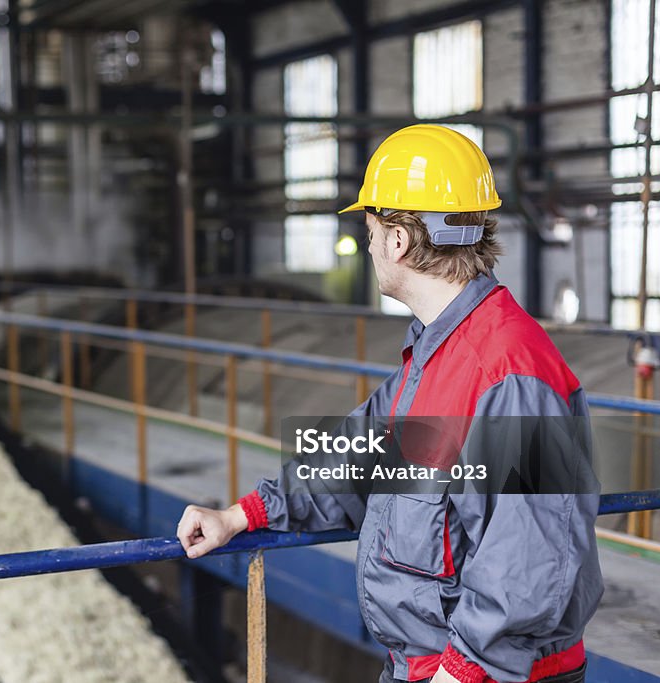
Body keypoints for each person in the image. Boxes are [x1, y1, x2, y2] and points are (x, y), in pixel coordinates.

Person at [175, 125, 602, 683]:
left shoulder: (509, 370)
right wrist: (243, 515)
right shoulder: (434, 351)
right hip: (427, 667)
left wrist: (465, 671)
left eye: (372, 229)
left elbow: (529, 552)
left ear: (399, 239)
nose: (371, 244)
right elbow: (358, 454)